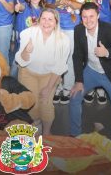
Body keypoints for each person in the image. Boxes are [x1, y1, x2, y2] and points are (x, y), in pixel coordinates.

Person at [69, 2, 111, 136]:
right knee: (74, 97)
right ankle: (75, 136)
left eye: (91, 16)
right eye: (84, 17)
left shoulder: (108, 30)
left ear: (98, 16)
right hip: (91, 71)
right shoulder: (78, 30)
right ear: (81, 18)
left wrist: (107, 52)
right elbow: (77, 55)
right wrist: (79, 80)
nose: (88, 20)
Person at [14, 8, 71, 136]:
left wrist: (48, 88)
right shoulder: (27, 33)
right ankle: (34, 125)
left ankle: (46, 132)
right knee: (32, 102)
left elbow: (59, 67)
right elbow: (21, 61)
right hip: (28, 72)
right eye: (43, 19)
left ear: (56, 22)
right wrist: (26, 52)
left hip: (49, 75)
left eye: (50, 19)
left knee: (45, 103)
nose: (46, 22)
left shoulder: (63, 40)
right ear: (39, 20)